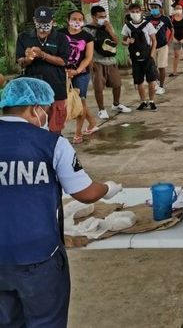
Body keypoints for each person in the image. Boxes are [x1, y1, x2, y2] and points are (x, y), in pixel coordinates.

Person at [0, 77, 122, 327]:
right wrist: (108, 188)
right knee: (46, 321)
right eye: (45, 109)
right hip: (38, 255)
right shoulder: (52, 144)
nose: (46, 116)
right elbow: (84, 193)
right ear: (34, 108)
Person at [15, 6, 70, 133]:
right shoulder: (24, 37)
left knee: (55, 126)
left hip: (56, 87)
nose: (43, 25)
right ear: (34, 20)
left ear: (52, 21)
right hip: (33, 89)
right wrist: (28, 59)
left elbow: (63, 61)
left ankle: (53, 149)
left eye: (46, 22)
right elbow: (20, 62)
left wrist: (43, 55)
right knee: (34, 125)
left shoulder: (61, 38)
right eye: (40, 22)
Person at [84, 6, 131, 119]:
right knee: (98, 87)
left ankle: (116, 104)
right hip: (97, 61)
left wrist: (109, 30)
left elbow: (116, 41)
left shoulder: (107, 26)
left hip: (111, 61)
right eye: (100, 17)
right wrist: (90, 62)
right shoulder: (87, 30)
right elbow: (85, 47)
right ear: (93, 17)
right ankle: (101, 109)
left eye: (104, 16)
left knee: (117, 84)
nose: (103, 19)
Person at [62, 10, 96, 143]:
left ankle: (78, 132)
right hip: (62, 72)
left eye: (80, 19)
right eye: (74, 18)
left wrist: (77, 71)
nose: (77, 21)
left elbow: (88, 57)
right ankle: (92, 121)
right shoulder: (59, 33)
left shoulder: (87, 37)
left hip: (81, 73)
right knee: (64, 101)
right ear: (68, 20)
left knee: (81, 101)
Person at [122, 3, 159, 111]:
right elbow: (124, 41)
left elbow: (154, 40)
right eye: (133, 12)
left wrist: (152, 54)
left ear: (141, 12)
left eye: (137, 11)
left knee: (151, 80)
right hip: (135, 58)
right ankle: (143, 101)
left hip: (147, 56)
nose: (135, 14)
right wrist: (127, 41)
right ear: (129, 13)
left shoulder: (148, 25)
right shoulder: (127, 26)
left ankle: (151, 101)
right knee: (139, 81)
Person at [146, 0, 172, 95]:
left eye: (155, 7)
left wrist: (169, 41)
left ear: (160, 8)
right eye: (152, 7)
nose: (153, 9)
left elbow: (171, 29)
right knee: (152, 66)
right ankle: (156, 82)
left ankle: (161, 86)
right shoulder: (147, 19)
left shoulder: (165, 19)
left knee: (161, 66)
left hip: (162, 46)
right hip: (151, 46)